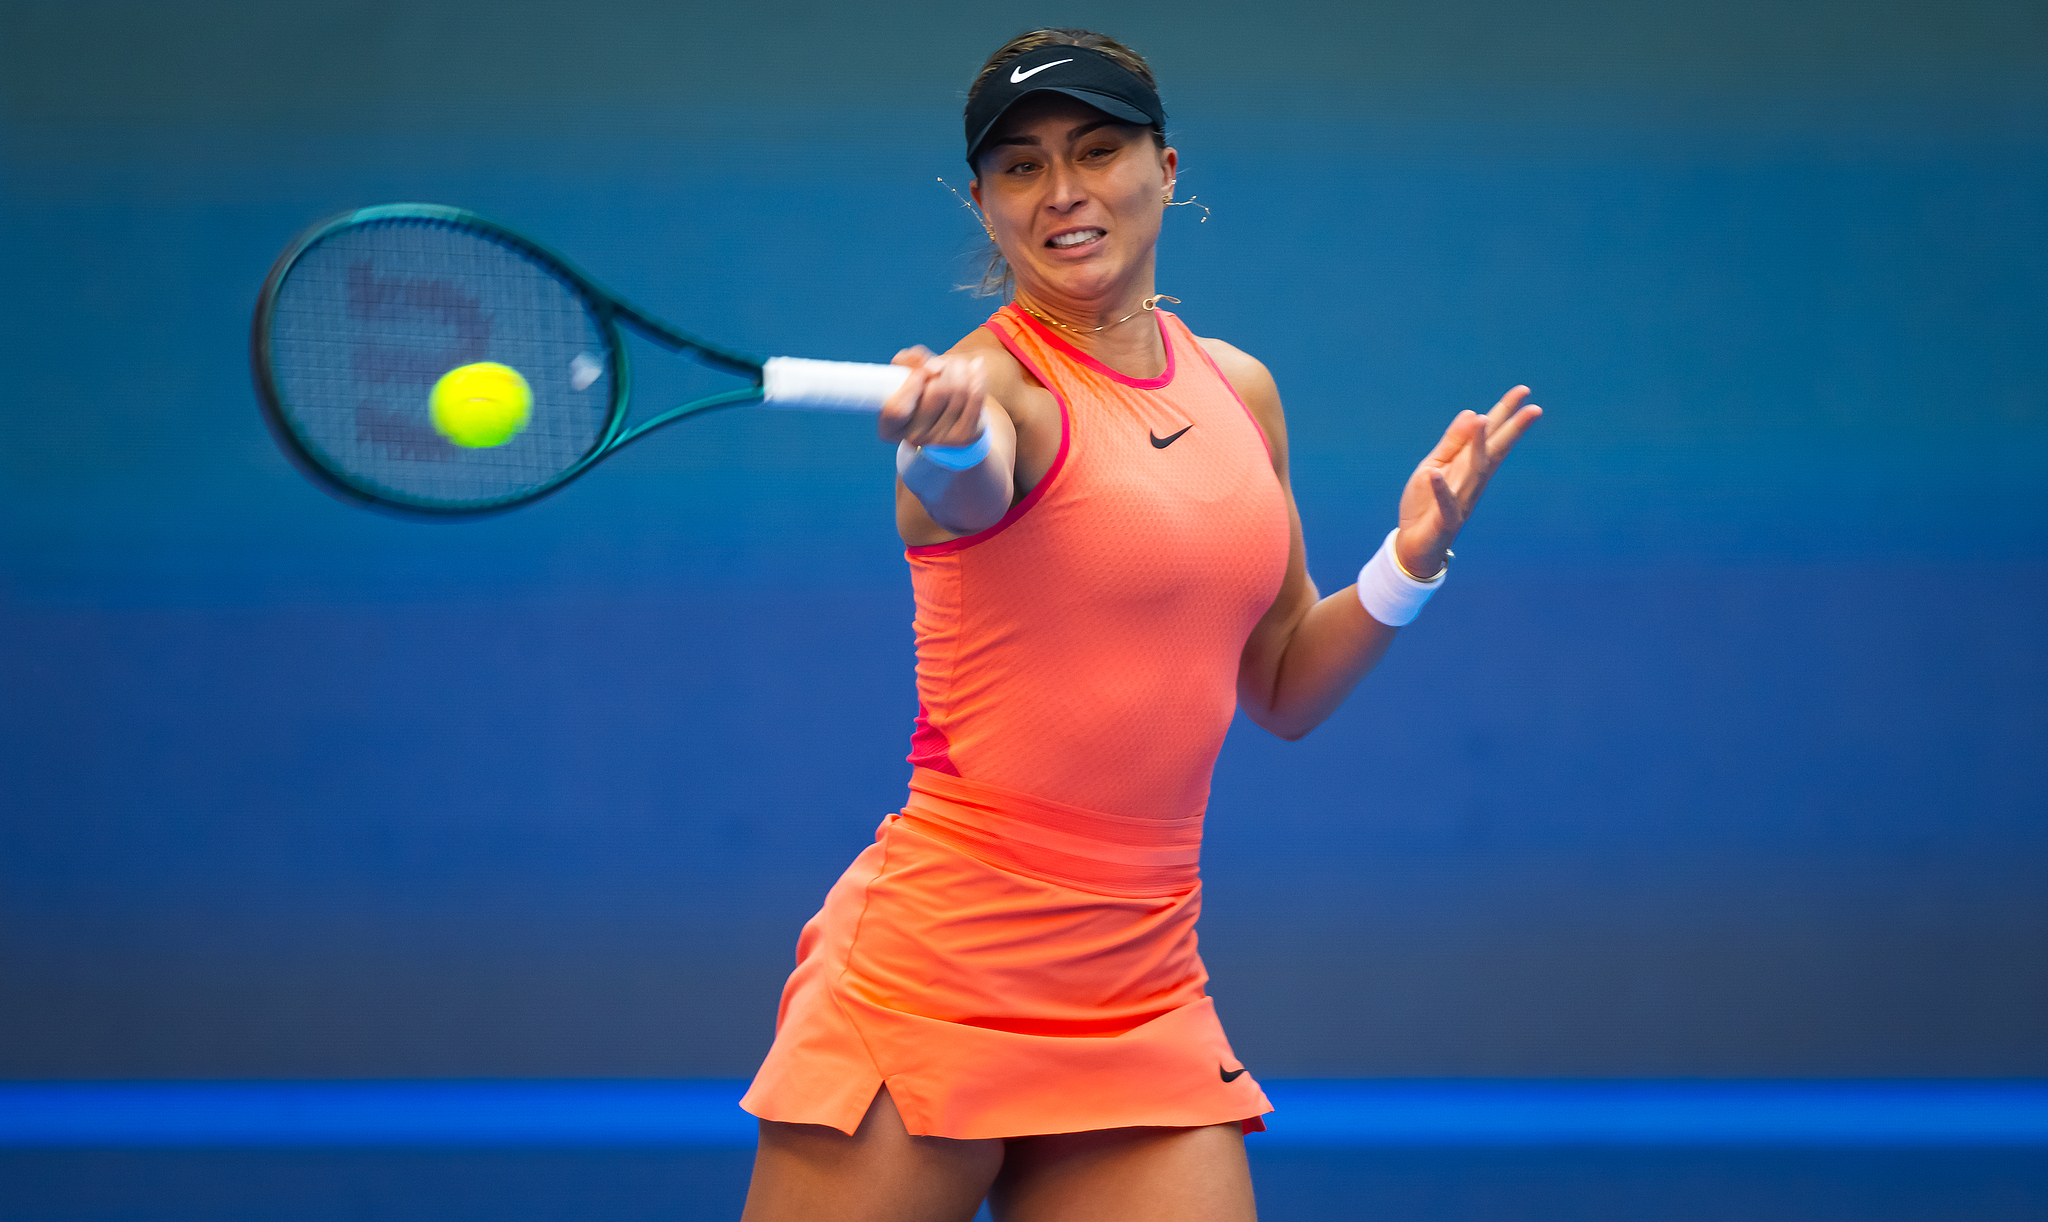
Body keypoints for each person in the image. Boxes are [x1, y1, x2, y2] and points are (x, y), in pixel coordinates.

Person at [738, 28, 1541, 1222]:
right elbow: (966, 480)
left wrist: (1406, 563)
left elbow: (1277, 684)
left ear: (1165, 168)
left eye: (1095, 150)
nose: (1061, 191)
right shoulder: (991, 384)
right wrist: (943, 434)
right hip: (935, 974)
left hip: (1140, 989)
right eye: (1018, 166)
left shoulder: (1236, 387)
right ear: (984, 202)